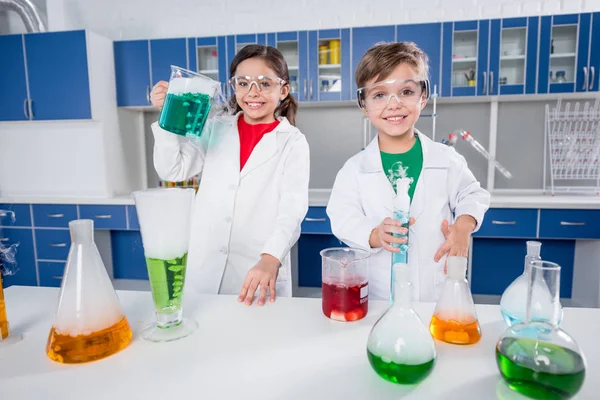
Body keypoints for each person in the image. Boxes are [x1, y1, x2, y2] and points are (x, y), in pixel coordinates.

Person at [326, 42, 490, 301]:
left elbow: (473, 193)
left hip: (435, 296)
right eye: (379, 94)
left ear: (423, 96)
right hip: (379, 298)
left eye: (405, 91)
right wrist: (374, 235)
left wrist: (464, 225)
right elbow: (342, 217)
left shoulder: (445, 159)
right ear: (364, 104)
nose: (394, 104)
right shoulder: (354, 170)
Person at [150, 45, 310, 306]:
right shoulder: (215, 127)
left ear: (283, 90)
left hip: (257, 268)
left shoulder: (293, 142)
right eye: (243, 83)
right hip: (205, 264)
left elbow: (291, 209)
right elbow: (173, 170)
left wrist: (271, 257)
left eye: (264, 83)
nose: (253, 92)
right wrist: (166, 114)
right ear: (233, 87)